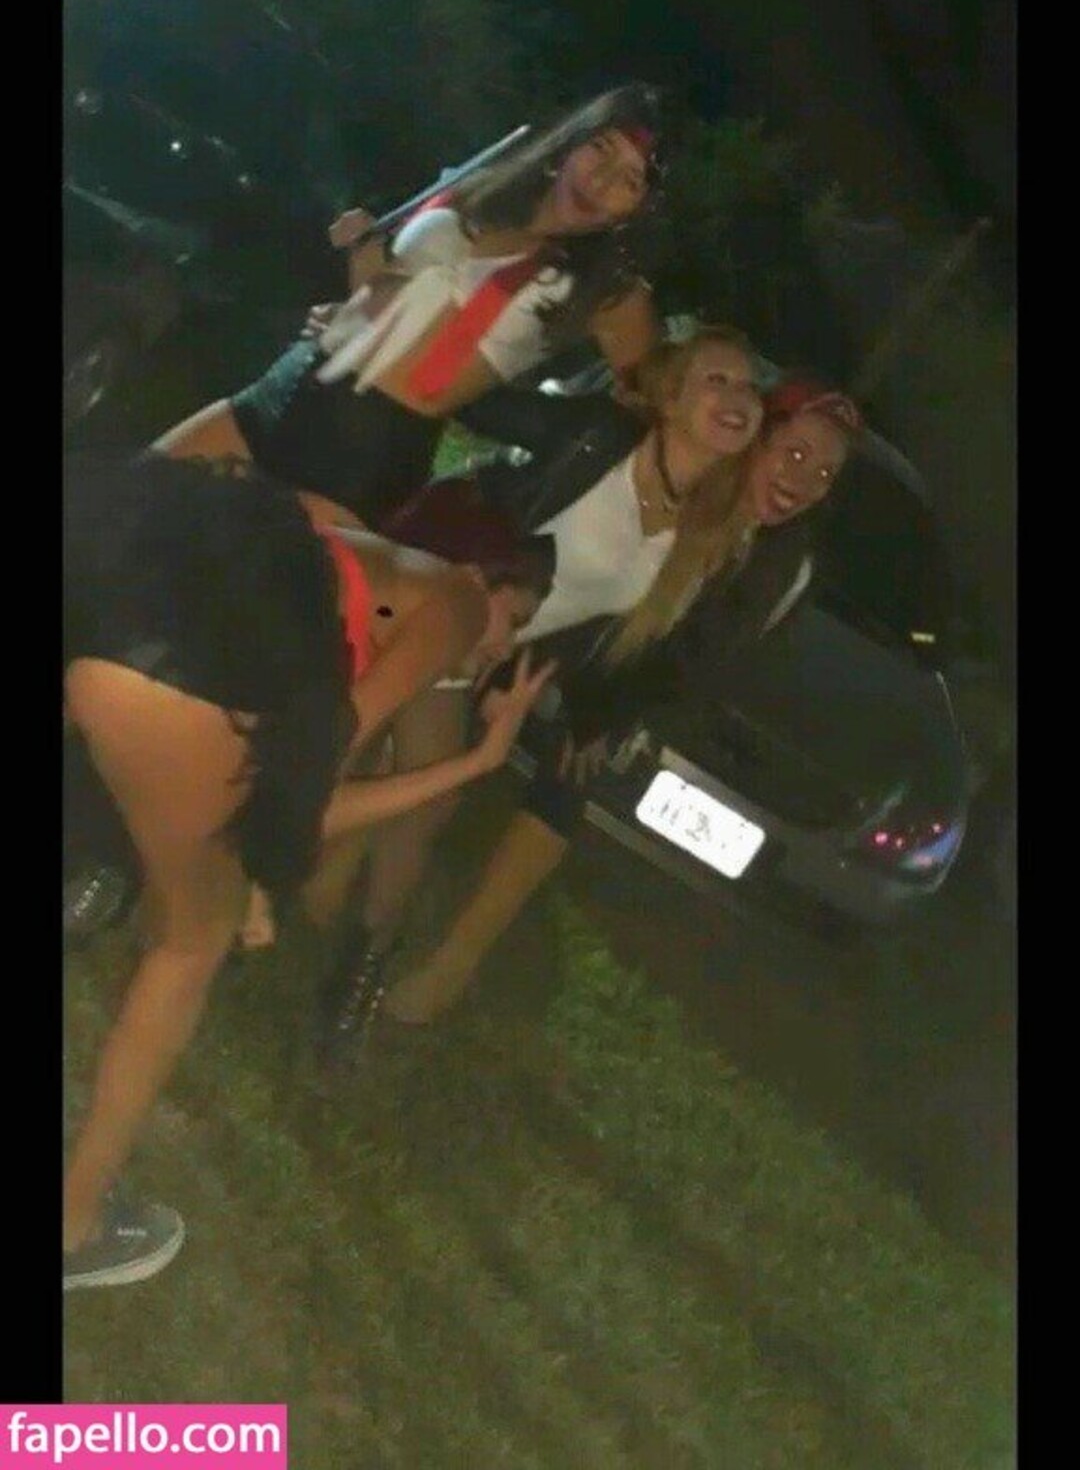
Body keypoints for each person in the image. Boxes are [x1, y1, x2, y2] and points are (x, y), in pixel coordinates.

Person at [62, 452, 554, 1292]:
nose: (502, 648)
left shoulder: (332, 560)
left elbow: (273, 778)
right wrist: (475, 764)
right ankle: (73, 1224)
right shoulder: (457, 600)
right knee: (191, 944)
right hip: (165, 665)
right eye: (518, 619)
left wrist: (256, 873)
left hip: (99, 576)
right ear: (483, 574)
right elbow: (311, 775)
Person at [311, 325, 775, 1055]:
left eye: (748, 387)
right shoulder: (597, 439)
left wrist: (566, 705)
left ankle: (360, 965)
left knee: (427, 797)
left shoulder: (706, 537)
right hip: (428, 600)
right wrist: (383, 332)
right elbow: (484, 401)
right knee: (344, 745)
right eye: (716, 379)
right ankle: (223, 878)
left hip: (480, 653)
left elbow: (632, 648)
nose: (738, 395)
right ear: (670, 397)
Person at [375, 379, 862, 1031]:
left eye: (824, 474)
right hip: (548, 620)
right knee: (439, 730)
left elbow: (694, 662)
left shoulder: (783, 568)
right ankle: (363, 876)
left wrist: (602, 713)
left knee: (570, 781)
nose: (801, 481)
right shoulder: (688, 474)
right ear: (756, 436)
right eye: (794, 453)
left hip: (618, 678)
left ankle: (453, 963)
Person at [154, 83, 669, 527]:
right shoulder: (475, 186)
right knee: (126, 508)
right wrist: (361, 259)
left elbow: (656, 406)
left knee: (206, 596)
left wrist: (531, 425)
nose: (600, 180)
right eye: (599, 147)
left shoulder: (607, 293)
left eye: (629, 179)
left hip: (363, 459)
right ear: (570, 141)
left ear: (639, 209)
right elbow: (378, 297)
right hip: (286, 389)